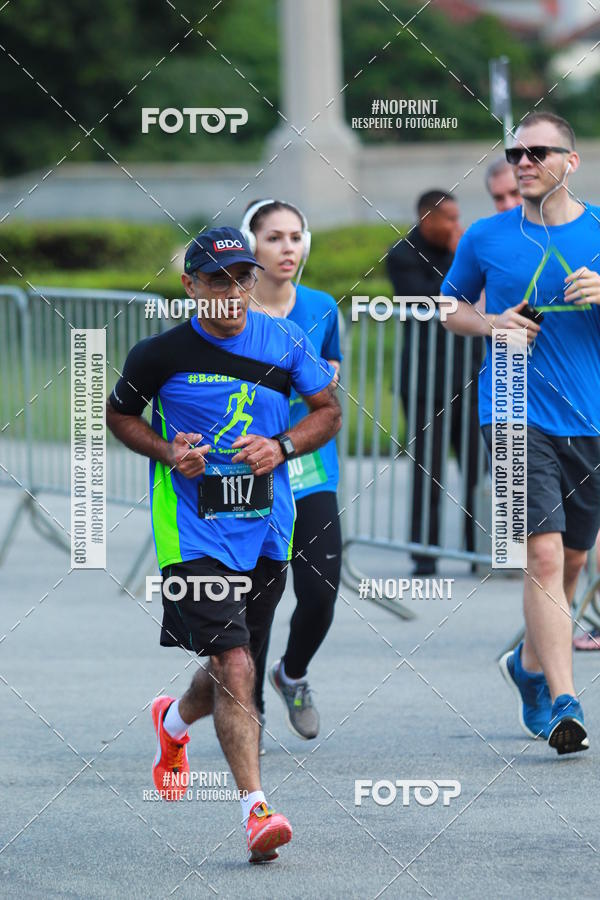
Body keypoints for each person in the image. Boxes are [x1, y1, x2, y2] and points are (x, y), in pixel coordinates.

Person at [105, 226, 341, 862]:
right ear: (191, 286)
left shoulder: (286, 341)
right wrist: (165, 448)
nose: (232, 291)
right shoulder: (159, 353)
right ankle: (256, 811)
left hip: (266, 525)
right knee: (237, 663)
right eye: (217, 279)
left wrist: (283, 445)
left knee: (234, 662)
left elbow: (328, 410)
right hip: (191, 529)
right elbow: (119, 414)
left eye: (242, 277)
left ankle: (172, 721)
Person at [441, 112, 600, 754]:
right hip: (509, 410)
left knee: (573, 561)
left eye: (538, 152)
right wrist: (491, 324)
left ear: (572, 161)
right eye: (516, 153)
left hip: (589, 418)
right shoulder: (485, 235)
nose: (523, 162)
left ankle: (527, 667)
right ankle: (564, 700)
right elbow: (448, 307)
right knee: (541, 555)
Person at [239, 199, 343, 744]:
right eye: (275, 237)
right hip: (248, 472)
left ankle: (291, 673)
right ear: (252, 244)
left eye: (296, 237)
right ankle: (248, 706)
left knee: (321, 591)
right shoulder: (232, 309)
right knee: (259, 596)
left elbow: (327, 390)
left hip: (308, 468)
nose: (288, 248)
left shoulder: (323, 306)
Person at [386, 190, 481, 575]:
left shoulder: (464, 249)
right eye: (449, 219)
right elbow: (437, 302)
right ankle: (424, 555)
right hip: (426, 381)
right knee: (430, 467)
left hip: (471, 376)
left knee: (478, 465)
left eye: (459, 218)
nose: (456, 226)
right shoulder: (402, 254)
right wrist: (462, 258)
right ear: (427, 218)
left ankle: (479, 550)